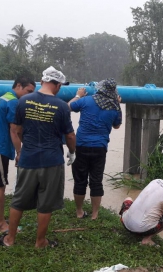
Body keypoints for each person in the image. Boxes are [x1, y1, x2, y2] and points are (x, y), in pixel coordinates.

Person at [0, 66, 76, 248]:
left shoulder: (23, 101)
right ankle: (40, 242)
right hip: (52, 160)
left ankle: (10, 239)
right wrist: (72, 153)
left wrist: (27, 146)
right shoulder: (62, 106)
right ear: (56, 85)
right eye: (60, 86)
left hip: (28, 159)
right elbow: (70, 136)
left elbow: (17, 129)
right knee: (46, 203)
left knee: (18, 200)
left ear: (42, 82)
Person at [0, 76, 36, 233]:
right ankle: (0, 225)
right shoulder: (13, 102)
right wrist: (20, 152)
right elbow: (15, 130)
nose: (29, 95)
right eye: (28, 91)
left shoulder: (2, 98)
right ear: (18, 85)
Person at [68, 78, 122, 220]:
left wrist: (79, 95)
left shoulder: (86, 101)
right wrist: (117, 103)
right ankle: (95, 215)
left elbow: (68, 106)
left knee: (80, 180)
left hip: (81, 145)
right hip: (100, 148)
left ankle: (79, 212)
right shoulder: (114, 107)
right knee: (96, 180)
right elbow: (117, 125)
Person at [119, 174, 163, 247]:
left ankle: (131, 220)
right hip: (142, 230)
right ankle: (147, 239)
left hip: (125, 222)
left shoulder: (156, 181)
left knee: (128, 199)